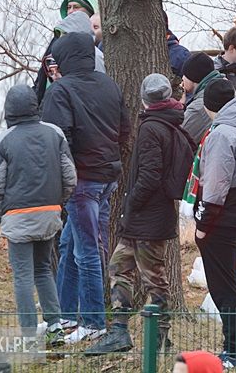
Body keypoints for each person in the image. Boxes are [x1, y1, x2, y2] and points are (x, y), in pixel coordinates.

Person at [85, 74, 195, 355]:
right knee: (118, 267)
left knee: (153, 279)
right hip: (145, 220)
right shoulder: (170, 122)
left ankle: (159, 337)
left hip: (148, 219)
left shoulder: (152, 128)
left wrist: (129, 204)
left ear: (145, 99)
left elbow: (149, 176)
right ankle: (120, 332)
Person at [41, 32, 131, 343]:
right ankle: (67, 315)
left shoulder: (60, 91)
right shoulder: (109, 83)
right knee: (70, 246)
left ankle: (93, 321)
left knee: (87, 250)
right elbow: (125, 130)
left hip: (82, 182)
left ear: (64, 58)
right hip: (107, 177)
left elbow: (57, 140)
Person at [0, 85, 76, 348]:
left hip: (17, 216)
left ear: (9, 110)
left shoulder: (5, 139)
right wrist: (60, 202)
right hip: (50, 213)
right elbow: (69, 176)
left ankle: (27, 335)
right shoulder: (55, 134)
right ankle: (55, 327)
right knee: (44, 271)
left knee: (23, 276)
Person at [192, 79, 236, 368]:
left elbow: (216, 186)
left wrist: (203, 223)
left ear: (211, 106)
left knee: (224, 288)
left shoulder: (222, 134)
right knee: (232, 284)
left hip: (221, 219)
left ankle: (233, 350)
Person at [34, 9, 105, 105]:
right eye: (61, 34)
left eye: (66, 34)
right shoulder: (68, 56)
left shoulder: (95, 56)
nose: (62, 39)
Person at [181, 52, 224, 144]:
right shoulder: (220, 91)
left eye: (185, 75)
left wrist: (180, 106)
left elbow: (179, 139)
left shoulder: (199, 106)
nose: (182, 78)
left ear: (193, 77)